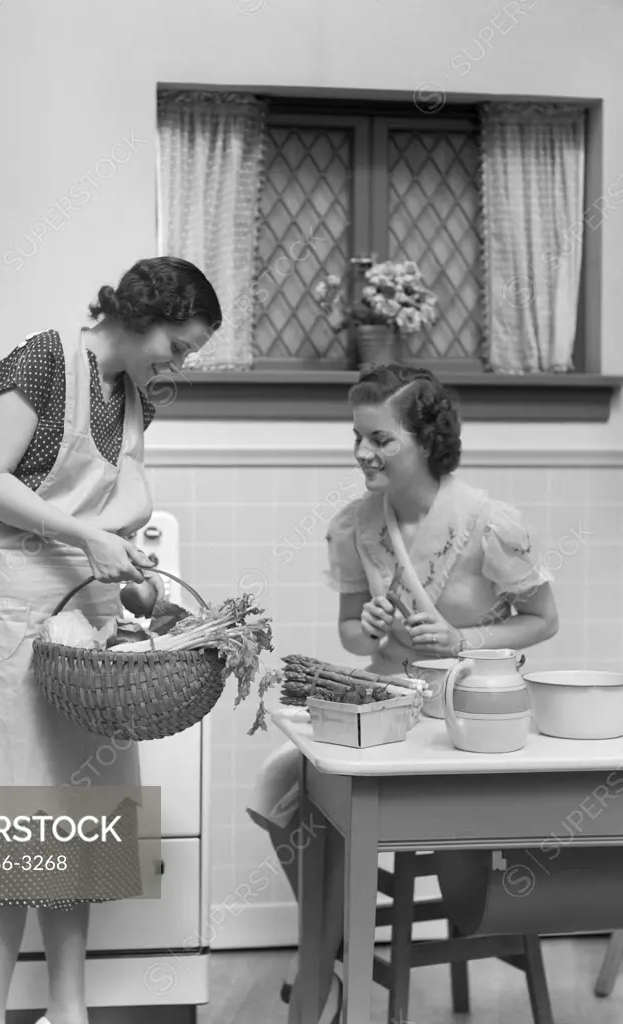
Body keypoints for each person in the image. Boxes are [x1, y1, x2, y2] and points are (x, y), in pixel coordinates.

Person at [0, 256, 220, 1024]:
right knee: (11, 826)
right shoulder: (40, 362)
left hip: (86, 617)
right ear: (142, 315)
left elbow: (114, 517)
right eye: (179, 342)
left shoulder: (133, 397)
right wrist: (85, 537)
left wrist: (130, 573)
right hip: (16, 607)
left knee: (78, 821)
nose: (180, 362)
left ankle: (68, 1010)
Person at [247, 364, 559, 1022]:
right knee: (282, 783)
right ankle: (328, 943)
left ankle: (322, 963)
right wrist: (364, 627)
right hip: (389, 702)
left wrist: (460, 639)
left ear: (427, 439)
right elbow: (353, 637)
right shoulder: (355, 525)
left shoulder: (488, 521)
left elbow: (544, 619)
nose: (363, 453)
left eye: (380, 439)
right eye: (357, 438)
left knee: (392, 811)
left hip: (469, 707)